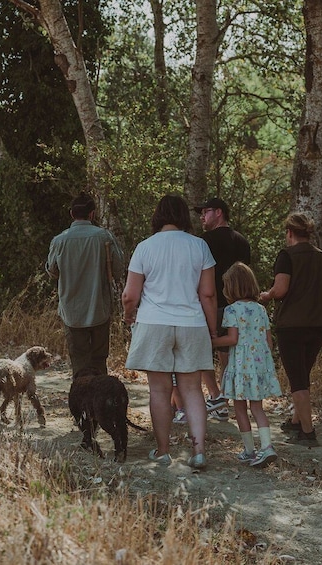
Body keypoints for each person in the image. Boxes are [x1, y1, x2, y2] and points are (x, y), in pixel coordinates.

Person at [122, 194, 217, 469]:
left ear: (158, 216)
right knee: (192, 389)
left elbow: (130, 294)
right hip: (192, 323)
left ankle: (163, 451)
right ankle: (198, 452)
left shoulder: (145, 247)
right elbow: (208, 294)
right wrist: (212, 330)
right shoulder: (199, 246)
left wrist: (129, 316)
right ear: (184, 217)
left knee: (159, 390)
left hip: (154, 323)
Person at [259, 213, 322, 446]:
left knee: (297, 380)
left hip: (293, 325)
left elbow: (281, 289)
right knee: (303, 374)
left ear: (289, 233)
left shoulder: (287, 256)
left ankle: (307, 432)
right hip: (319, 324)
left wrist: (267, 295)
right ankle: (295, 421)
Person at [46, 192, 125, 379]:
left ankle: (82, 400)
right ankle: (100, 400)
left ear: (72, 214)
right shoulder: (104, 237)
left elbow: (52, 272)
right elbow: (118, 270)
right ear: (92, 214)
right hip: (99, 308)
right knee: (99, 360)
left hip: (72, 313)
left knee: (79, 361)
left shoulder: (60, 240)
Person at [212, 262, 282, 467]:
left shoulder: (231, 310)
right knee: (258, 408)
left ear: (231, 287)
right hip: (258, 365)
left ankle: (250, 450)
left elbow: (232, 339)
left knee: (240, 408)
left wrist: (212, 342)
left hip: (240, 366)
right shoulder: (261, 309)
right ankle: (267, 446)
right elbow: (269, 342)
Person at [193, 197, 251, 422]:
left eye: (205, 212)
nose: (202, 217)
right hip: (238, 306)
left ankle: (217, 397)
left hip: (212, 303)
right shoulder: (243, 241)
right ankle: (228, 399)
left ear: (219, 213)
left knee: (202, 351)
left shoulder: (204, 241)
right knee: (229, 355)